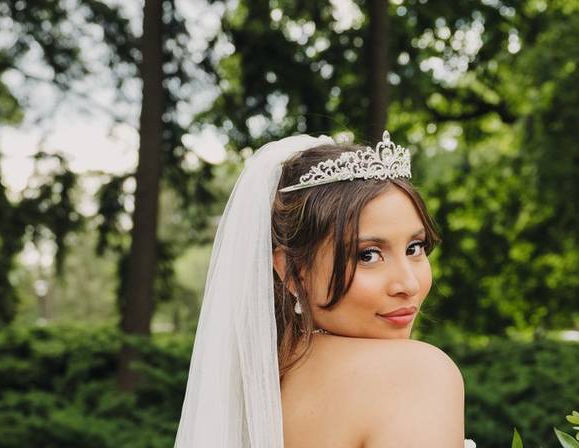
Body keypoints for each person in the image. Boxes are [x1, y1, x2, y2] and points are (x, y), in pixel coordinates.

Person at [174, 132, 474, 447]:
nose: (408, 284)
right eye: (367, 255)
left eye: (415, 247)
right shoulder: (417, 374)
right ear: (293, 271)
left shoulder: (255, 386)